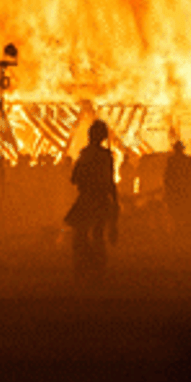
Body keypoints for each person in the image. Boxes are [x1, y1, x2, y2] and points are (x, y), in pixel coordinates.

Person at [65, 118, 119, 281]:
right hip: (101, 199)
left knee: (81, 234)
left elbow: (74, 179)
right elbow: (110, 182)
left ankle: (85, 267)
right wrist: (115, 202)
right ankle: (96, 267)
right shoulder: (106, 156)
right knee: (98, 234)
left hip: (88, 198)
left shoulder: (85, 155)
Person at [162, 138, 191, 239]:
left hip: (176, 191)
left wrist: (167, 190)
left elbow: (166, 177)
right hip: (185, 190)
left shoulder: (172, 161)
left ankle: (179, 233)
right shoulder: (187, 160)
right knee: (184, 213)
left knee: (176, 213)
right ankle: (183, 233)